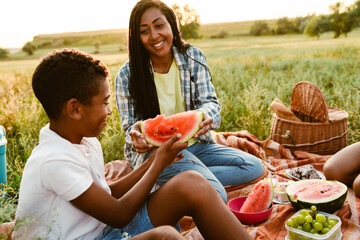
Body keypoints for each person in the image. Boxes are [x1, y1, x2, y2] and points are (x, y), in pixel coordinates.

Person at [12, 49, 251, 240]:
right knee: (166, 236)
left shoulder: (85, 141)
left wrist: (154, 160)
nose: (109, 111)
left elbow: (105, 194)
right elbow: (118, 214)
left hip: (104, 228)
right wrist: (157, 164)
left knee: (193, 183)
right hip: (100, 233)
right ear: (75, 109)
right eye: (104, 103)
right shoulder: (54, 160)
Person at [115, 0, 264, 203]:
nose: (154, 35)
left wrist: (207, 117)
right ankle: (175, 177)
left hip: (196, 144)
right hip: (157, 156)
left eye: (159, 26)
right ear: (137, 37)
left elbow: (210, 102)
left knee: (253, 166)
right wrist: (136, 135)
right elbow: (129, 127)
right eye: (144, 31)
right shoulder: (126, 75)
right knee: (215, 193)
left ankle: (174, 181)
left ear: (171, 26)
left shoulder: (193, 57)